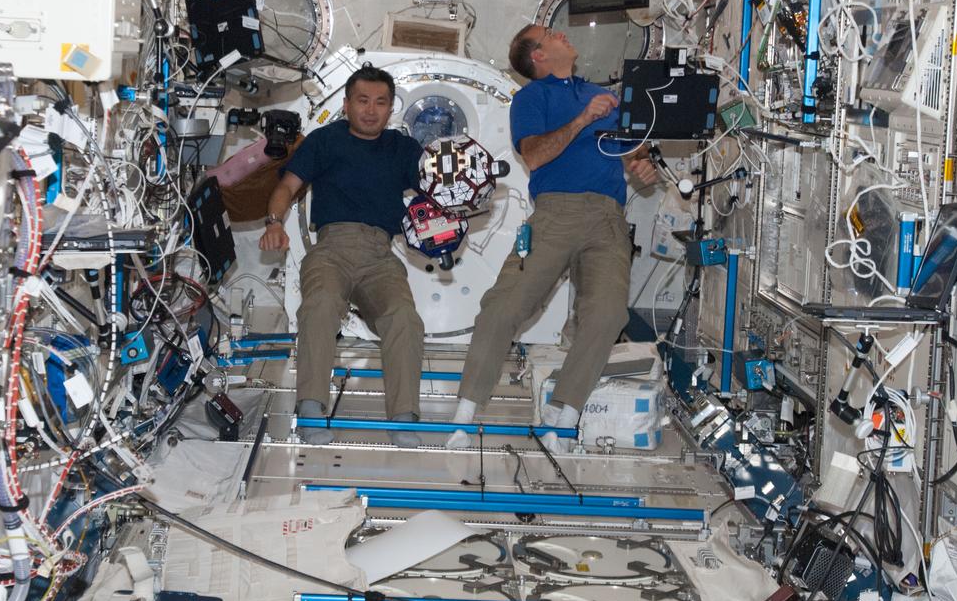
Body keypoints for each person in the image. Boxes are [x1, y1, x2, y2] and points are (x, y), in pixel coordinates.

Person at [448, 24, 659, 452]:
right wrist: (584, 118)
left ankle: (564, 420)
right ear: (538, 56)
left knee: (607, 315)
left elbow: (633, 149)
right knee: (503, 308)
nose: (562, 32)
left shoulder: (604, 95)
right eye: (549, 33)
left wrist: (642, 164)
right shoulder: (532, 99)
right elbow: (535, 155)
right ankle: (464, 417)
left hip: (607, 218)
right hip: (555, 214)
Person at [260, 65, 426, 447]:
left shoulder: (403, 149)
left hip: (380, 255)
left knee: (404, 318)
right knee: (318, 305)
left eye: (380, 102)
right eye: (363, 101)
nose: (371, 110)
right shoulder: (324, 141)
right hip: (331, 250)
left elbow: (434, 190)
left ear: (390, 109)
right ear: (347, 104)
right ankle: (312, 409)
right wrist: (273, 223)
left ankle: (403, 418)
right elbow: (287, 185)